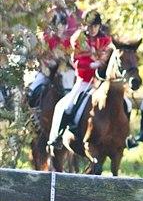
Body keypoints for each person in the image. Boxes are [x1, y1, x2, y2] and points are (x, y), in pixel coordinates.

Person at [47, 10, 111, 148]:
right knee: (66, 106)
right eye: (90, 26)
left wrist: (103, 65)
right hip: (85, 81)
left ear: (99, 26)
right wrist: (92, 64)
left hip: (103, 82)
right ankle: (57, 136)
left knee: (126, 104)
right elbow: (76, 61)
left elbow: (109, 59)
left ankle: (126, 138)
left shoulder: (106, 40)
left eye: (95, 26)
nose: (93, 29)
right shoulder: (78, 39)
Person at [26, 11, 72, 109]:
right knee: (32, 89)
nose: (60, 28)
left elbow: (69, 58)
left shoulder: (68, 41)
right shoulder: (46, 39)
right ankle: (31, 111)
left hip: (62, 72)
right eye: (58, 25)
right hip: (46, 72)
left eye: (62, 25)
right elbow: (41, 57)